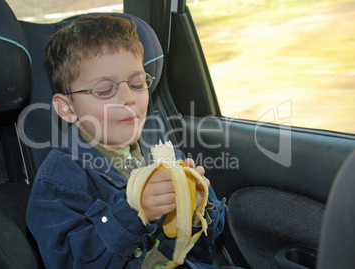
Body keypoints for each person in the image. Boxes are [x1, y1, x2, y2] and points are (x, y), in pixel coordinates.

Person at [26, 15, 228, 269]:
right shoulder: (60, 180)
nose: (128, 97)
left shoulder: (160, 151)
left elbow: (200, 250)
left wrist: (197, 209)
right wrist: (134, 212)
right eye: (104, 90)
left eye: (137, 82)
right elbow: (70, 262)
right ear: (67, 108)